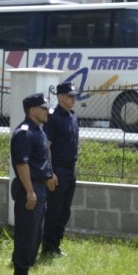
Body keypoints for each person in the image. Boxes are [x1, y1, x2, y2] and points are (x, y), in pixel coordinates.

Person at [11, 93, 56, 275]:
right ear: (32, 110)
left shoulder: (39, 131)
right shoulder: (24, 133)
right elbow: (22, 164)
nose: (47, 112)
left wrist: (49, 175)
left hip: (39, 186)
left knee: (36, 232)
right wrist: (30, 191)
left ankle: (25, 273)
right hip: (29, 187)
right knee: (27, 233)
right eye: (44, 108)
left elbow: (42, 159)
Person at [42, 82, 80, 257]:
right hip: (58, 169)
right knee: (54, 210)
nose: (73, 99)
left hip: (70, 170)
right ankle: (48, 247)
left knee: (65, 211)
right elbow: (47, 146)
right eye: (70, 96)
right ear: (60, 97)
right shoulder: (53, 118)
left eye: (74, 96)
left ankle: (56, 244)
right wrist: (50, 172)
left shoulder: (72, 116)